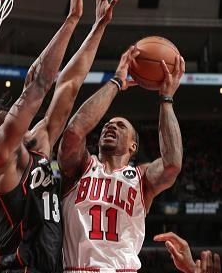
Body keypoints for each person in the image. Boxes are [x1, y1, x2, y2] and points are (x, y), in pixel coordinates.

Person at [0, 0, 119, 272]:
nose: (10, 115)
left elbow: (68, 84)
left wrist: (97, 28)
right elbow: (37, 85)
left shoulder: (38, 142)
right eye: (2, 121)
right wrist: (71, 20)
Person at [58, 44, 185, 272]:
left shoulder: (141, 178)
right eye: (107, 125)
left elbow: (172, 164)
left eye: (120, 126)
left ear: (133, 146)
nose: (110, 127)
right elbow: (74, 132)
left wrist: (166, 99)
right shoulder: (81, 166)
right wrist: (116, 81)